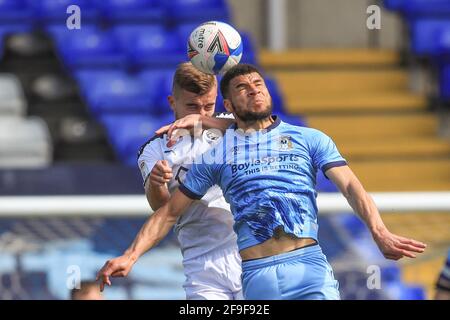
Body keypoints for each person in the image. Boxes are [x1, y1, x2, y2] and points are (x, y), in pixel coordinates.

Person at [97, 64, 427, 299]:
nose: (253, 89)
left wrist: (379, 231)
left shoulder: (308, 138)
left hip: (306, 266)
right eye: (242, 87)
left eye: (259, 83)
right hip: (248, 272)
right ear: (230, 105)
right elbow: (167, 212)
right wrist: (130, 255)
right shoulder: (216, 154)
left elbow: (353, 188)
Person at [98, 62, 242, 300]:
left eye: (208, 106)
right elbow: (162, 208)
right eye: (192, 106)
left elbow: (263, 130)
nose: (200, 113)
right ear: (172, 103)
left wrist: (204, 121)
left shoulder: (231, 127)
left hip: (252, 252)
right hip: (202, 263)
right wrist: (157, 183)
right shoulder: (154, 150)